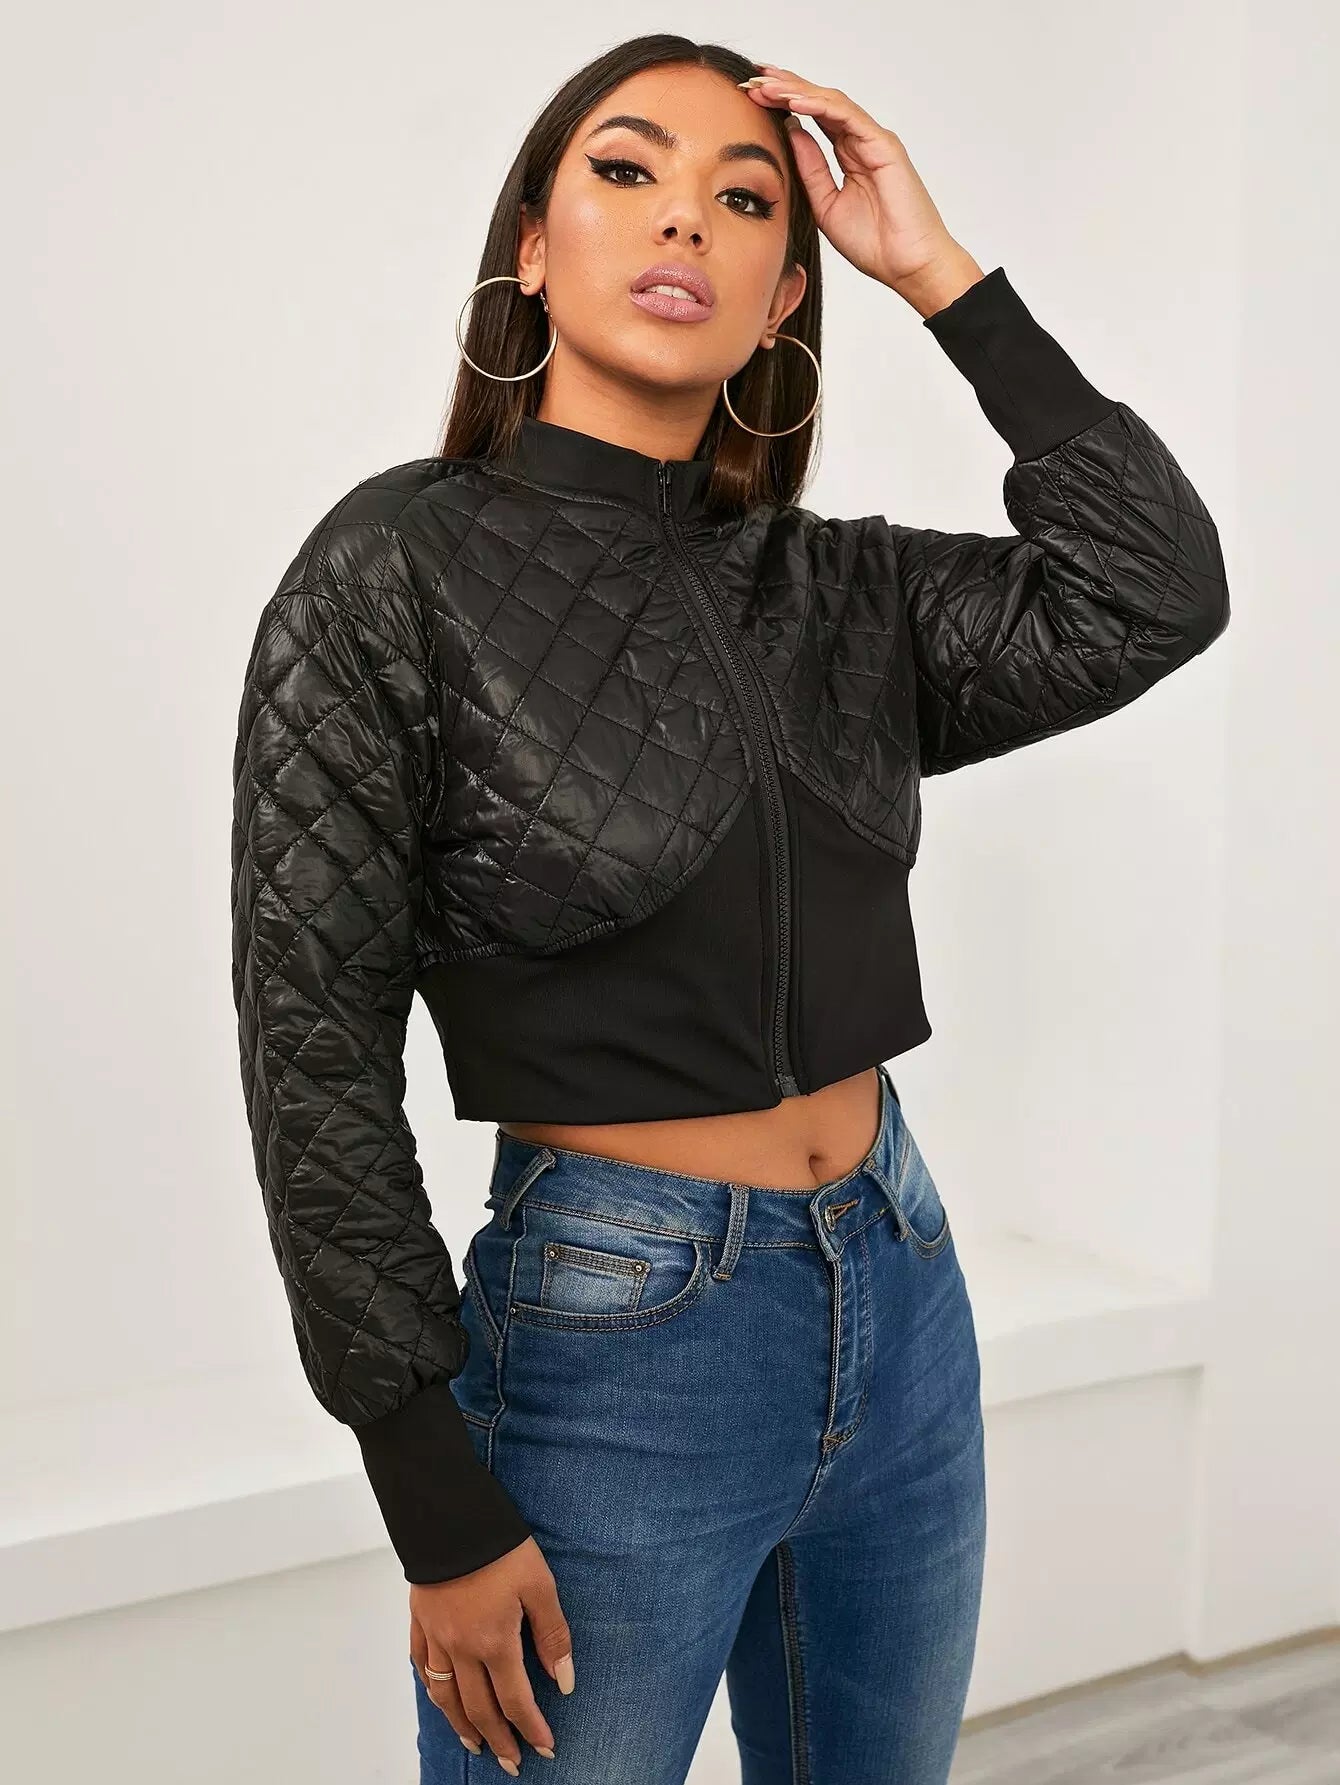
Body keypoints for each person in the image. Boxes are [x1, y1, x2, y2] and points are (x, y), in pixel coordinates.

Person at [229, 34, 1229, 1785]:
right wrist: (431, 1492)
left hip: (899, 1291)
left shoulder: (839, 590)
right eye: (626, 170)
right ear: (531, 247)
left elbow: (1155, 588)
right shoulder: (391, 575)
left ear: (782, 298)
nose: (684, 215)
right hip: (615, 1344)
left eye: (746, 198)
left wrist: (939, 272)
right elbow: (311, 1054)